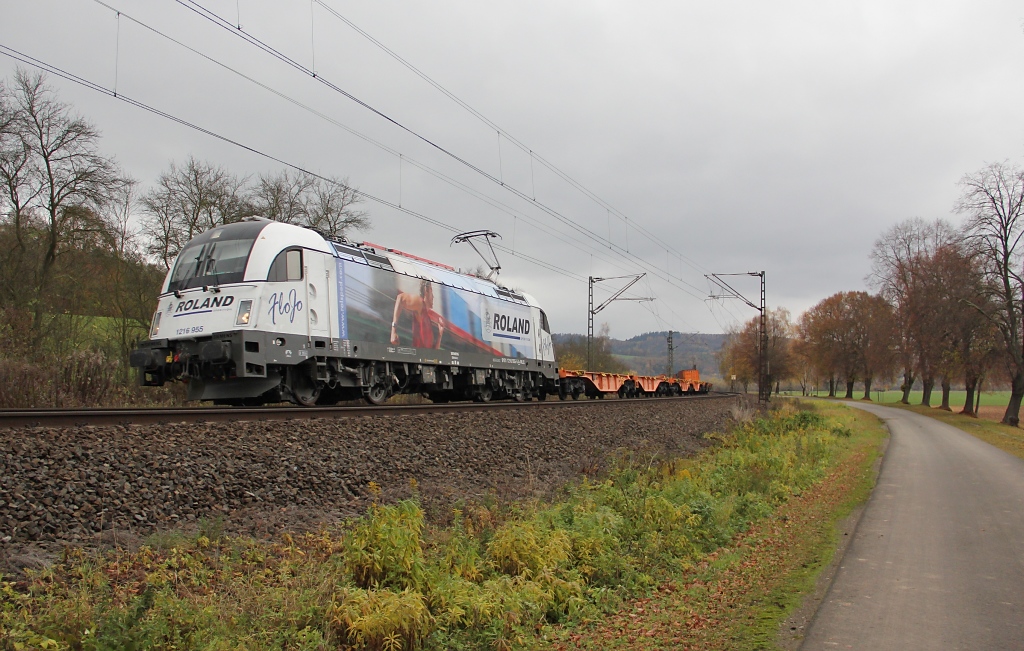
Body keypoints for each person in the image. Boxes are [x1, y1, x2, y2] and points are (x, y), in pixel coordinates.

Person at [390, 279, 445, 348]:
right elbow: (400, 298)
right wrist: (393, 331)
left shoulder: (428, 320)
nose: (433, 297)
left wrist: (440, 334)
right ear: (426, 291)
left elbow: (433, 351)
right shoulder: (420, 304)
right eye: (431, 291)